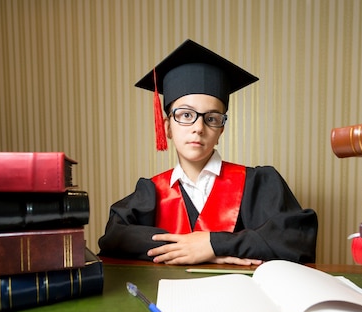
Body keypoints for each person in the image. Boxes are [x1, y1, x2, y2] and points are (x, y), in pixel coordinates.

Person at [98, 39, 317, 266]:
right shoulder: (151, 191)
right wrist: (188, 248)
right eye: (185, 115)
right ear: (167, 127)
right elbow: (114, 237)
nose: (198, 128)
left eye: (211, 118)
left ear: (221, 129)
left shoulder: (258, 184)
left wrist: (213, 244)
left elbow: (296, 239)